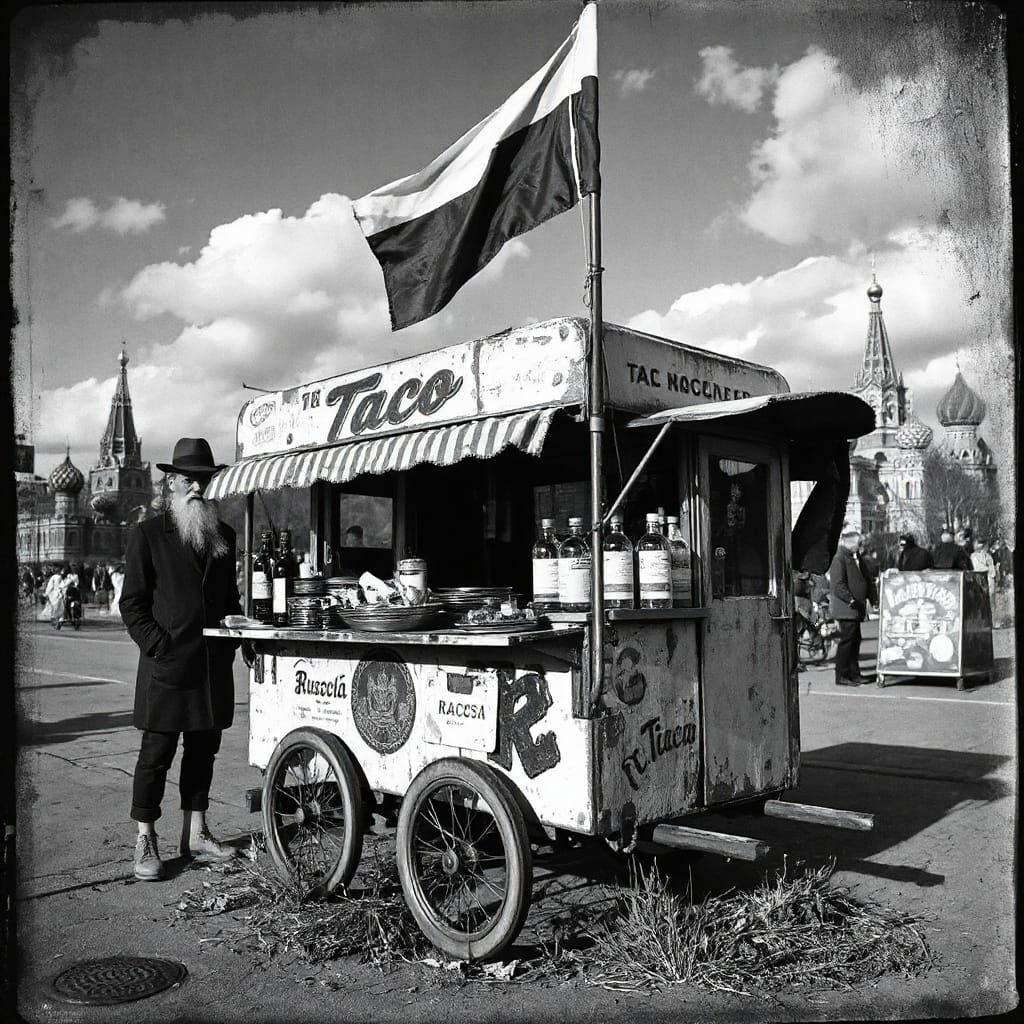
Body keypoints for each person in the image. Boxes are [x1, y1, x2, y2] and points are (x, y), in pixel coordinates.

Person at [120, 437, 243, 882]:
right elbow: (132, 604)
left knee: (203, 752)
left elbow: (229, 597)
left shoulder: (223, 535)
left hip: (211, 668)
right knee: (156, 754)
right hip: (167, 668)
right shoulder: (148, 535)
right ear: (170, 482)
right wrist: (159, 646)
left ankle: (195, 833)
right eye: (188, 479)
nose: (197, 487)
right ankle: (146, 837)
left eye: (204, 480)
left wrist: (236, 637)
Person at [828, 526, 876, 686]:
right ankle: (841, 675)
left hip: (854, 608)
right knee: (847, 641)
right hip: (846, 609)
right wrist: (851, 600)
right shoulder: (839, 558)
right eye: (859, 544)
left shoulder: (854, 557)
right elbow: (838, 584)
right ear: (851, 543)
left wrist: (870, 597)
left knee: (855, 640)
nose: (861, 547)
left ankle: (854, 674)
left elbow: (866, 579)